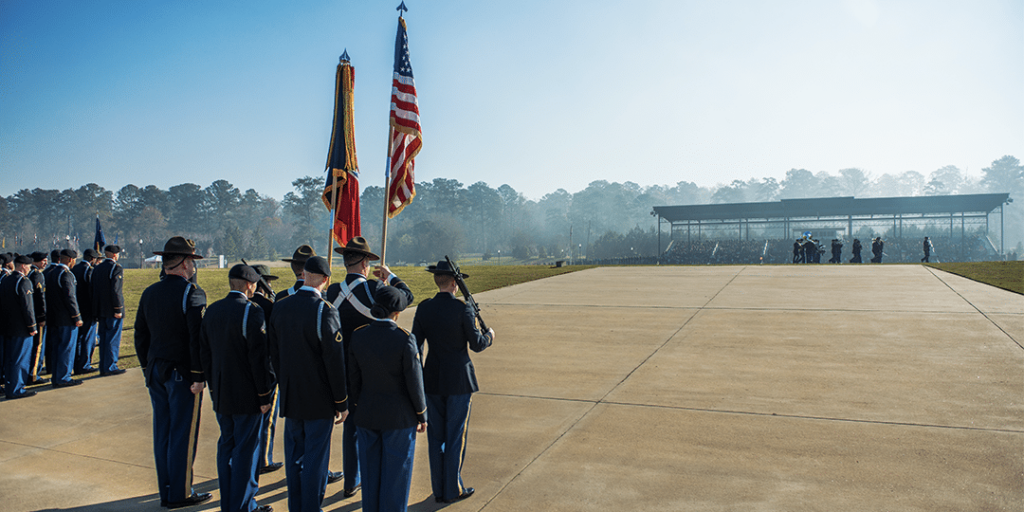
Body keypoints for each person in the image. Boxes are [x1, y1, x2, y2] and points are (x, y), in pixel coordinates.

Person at [326, 236, 415, 499]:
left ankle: (351, 480)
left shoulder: (332, 291)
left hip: (343, 364)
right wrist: (392, 277)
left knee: (351, 424)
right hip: (373, 365)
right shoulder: (375, 288)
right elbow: (406, 297)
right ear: (365, 262)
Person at [134, 236, 212, 509]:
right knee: (182, 433)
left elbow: (140, 336)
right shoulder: (192, 293)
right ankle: (180, 493)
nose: (193, 266)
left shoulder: (149, 292)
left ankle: (166, 490)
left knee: (163, 432)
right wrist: (198, 374)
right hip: (182, 374)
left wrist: (147, 367)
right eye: (191, 260)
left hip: (156, 369)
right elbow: (195, 339)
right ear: (183, 263)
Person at [268, 256, 349, 512]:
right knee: (315, 458)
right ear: (326, 280)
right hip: (318, 398)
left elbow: (274, 354)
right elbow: (334, 361)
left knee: (294, 457)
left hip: (291, 394)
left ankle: (297, 506)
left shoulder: (281, 306)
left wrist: (285, 382)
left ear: (304, 274)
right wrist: (341, 401)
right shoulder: (325, 310)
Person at [412, 260, 495, 504]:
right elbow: (476, 344)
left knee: (436, 437)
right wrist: (489, 336)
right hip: (459, 381)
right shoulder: (463, 310)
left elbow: (414, 344)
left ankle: (439, 489)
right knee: (455, 436)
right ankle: (452, 489)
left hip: (433, 380)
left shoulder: (424, 308)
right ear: (454, 283)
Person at [199, 264, 275, 512]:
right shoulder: (251, 312)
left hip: (221, 391)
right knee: (245, 451)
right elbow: (258, 358)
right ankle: (244, 505)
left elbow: (206, 354)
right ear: (251, 286)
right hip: (247, 394)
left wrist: (213, 388)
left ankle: (229, 503)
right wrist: (264, 394)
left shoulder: (212, 310)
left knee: (227, 446)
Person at [349, 286, 427, 512]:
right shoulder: (405, 339)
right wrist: (421, 413)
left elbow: (353, 378)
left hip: (367, 413)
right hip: (399, 418)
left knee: (370, 476)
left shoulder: (359, 335)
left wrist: (357, 404)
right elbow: (414, 381)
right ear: (397, 313)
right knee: (395, 479)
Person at [248, 264, 283, 476]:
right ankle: (264, 459)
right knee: (268, 417)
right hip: (268, 366)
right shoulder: (269, 305)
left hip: (246, 369)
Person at [1, 254, 40, 399]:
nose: (30, 269)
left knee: (11, 359)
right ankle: (17, 389)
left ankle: (11, 386)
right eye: (29, 266)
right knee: (20, 359)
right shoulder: (23, 281)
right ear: (23, 266)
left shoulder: (6, 279)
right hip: (21, 328)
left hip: (8, 325)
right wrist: (32, 326)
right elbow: (28, 307)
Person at [45, 249, 84, 388]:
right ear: (69, 260)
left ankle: (57, 377)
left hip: (54, 317)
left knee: (56, 349)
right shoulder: (66, 275)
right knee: (67, 348)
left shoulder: (50, 273)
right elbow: (70, 297)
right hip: (66, 319)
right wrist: (77, 316)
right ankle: (64, 377)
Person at [92, 245, 126, 376]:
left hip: (101, 309)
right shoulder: (116, 268)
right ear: (114, 255)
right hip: (112, 309)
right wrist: (118, 308)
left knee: (104, 338)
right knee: (112, 338)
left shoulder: (97, 268)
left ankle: (103, 365)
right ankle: (110, 366)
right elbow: (116, 290)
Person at [71, 248, 99, 375]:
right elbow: (91, 291)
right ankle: (85, 364)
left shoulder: (74, 269)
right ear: (92, 259)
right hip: (88, 309)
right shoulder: (89, 270)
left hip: (77, 308)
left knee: (78, 338)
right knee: (88, 339)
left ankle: (77, 364)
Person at [27, 252, 48, 384]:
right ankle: (33, 375)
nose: (45, 263)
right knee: (38, 346)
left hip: (31, 315)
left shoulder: (30, 273)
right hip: (36, 316)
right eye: (43, 261)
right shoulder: (36, 275)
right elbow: (40, 297)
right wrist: (42, 316)